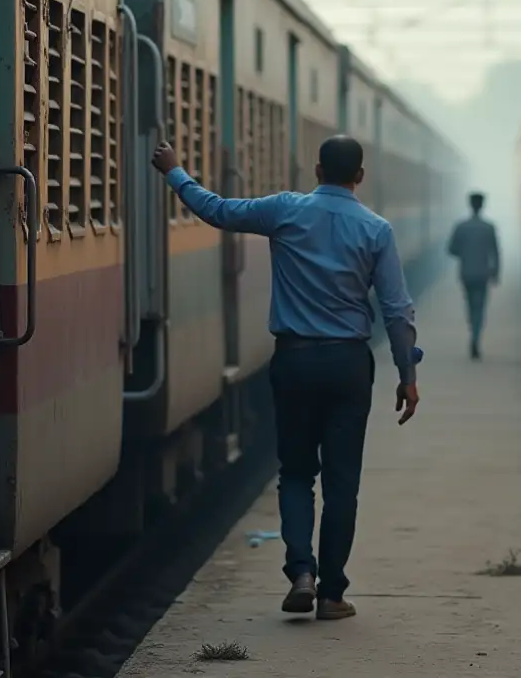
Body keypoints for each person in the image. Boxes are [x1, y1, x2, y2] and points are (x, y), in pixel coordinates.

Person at [151, 135, 421, 622]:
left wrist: (174, 171)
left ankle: (301, 571)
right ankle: (332, 594)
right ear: (359, 177)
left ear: (316, 171)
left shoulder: (284, 211)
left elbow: (216, 210)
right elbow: (397, 310)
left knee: (296, 471)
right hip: (347, 364)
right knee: (342, 483)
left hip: (294, 360)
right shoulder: (377, 230)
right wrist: (407, 372)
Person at [446, 191, 499, 360]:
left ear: (470, 205)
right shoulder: (489, 227)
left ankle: (473, 332)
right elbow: (495, 253)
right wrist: (496, 272)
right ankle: (476, 338)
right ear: (482, 205)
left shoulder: (461, 226)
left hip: (466, 273)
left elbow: (451, 249)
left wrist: (464, 253)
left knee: (470, 306)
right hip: (483, 273)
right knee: (480, 307)